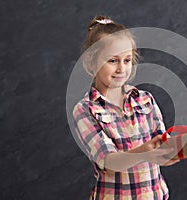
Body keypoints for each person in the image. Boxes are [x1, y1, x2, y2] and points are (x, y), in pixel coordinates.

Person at [73, 15, 179, 200]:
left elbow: (161, 143)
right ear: (91, 62)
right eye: (113, 61)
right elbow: (110, 161)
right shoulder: (85, 110)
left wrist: (173, 150)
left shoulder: (145, 100)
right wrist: (146, 152)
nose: (121, 69)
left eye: (127, 60)